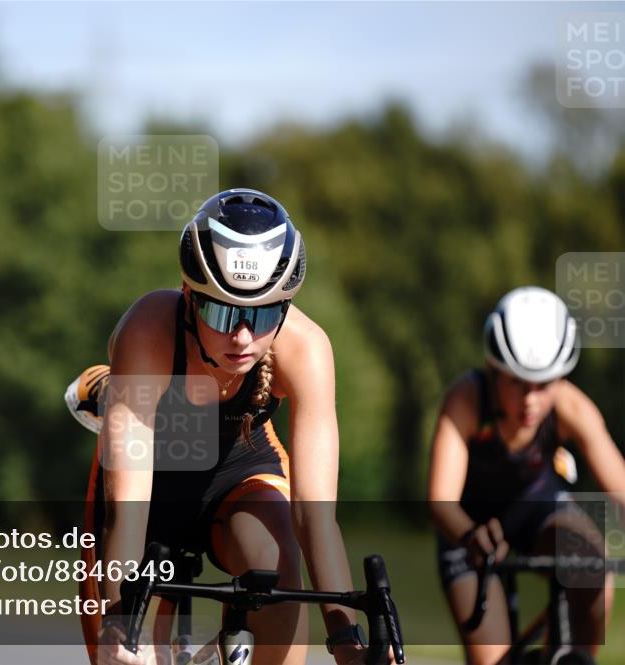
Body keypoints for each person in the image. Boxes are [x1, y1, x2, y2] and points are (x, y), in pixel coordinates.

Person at [67, 189, 375, 665]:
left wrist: (347, 639)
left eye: (263, 313)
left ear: (287, 306)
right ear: (189, 296)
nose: (243, 337)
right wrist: (118, 624)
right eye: (222, 311)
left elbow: (315, 517)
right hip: (153, 473)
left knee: (279, 563)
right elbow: (126, 514)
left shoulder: (307, 348)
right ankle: (107, 390)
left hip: (240, 463)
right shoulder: (149, 329)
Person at [427, 286, 625, 665]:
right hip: (470, 532)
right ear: (493, 369)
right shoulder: (466, 400)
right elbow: (440, 502)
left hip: (541, 514)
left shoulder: (571, 406)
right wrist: (470, 535)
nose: (531, 400)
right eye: (516, 382)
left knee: (592, 565)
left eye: (544, 385)